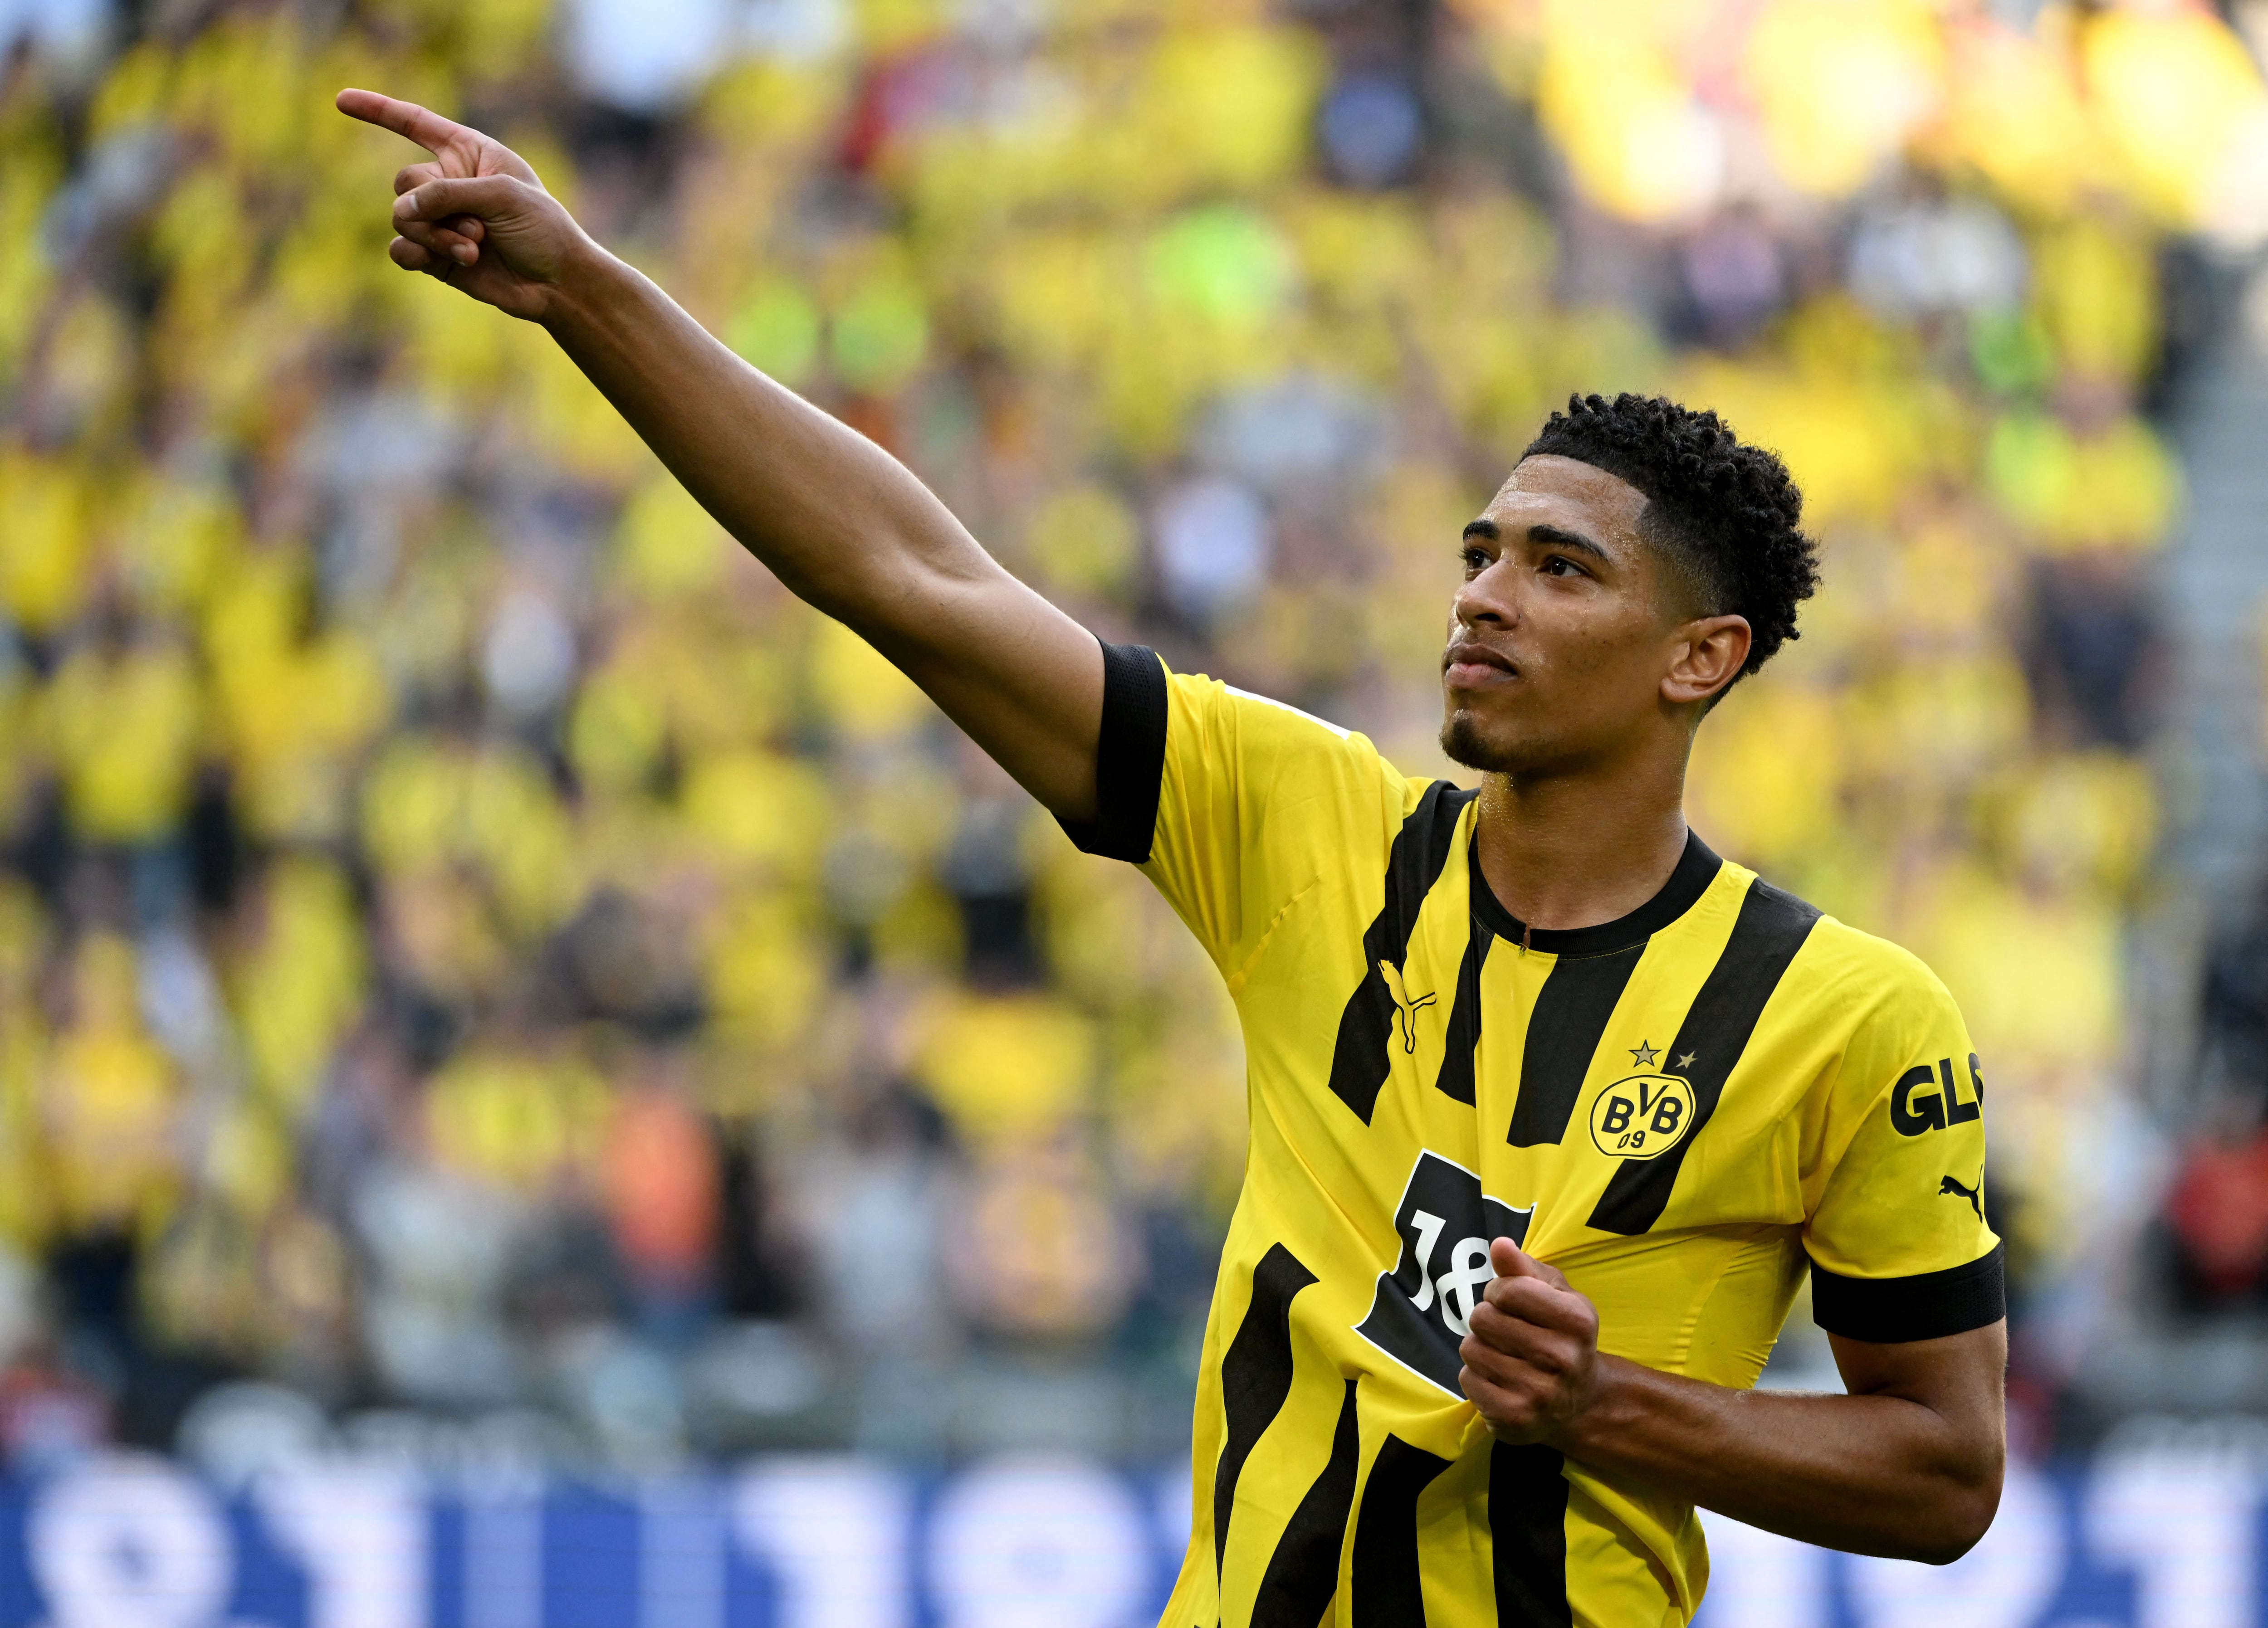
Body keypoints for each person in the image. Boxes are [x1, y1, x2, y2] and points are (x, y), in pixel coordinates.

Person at [337, 88, 2006, 1625]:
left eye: (1561, 569)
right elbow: (920, 578)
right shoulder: (1305, 823)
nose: (1483, 594)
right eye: (1478, 551)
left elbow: (1946, 1475)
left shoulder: (1849, 1020)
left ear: (1698, 659)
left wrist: (1607, 1406)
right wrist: (589, 296)